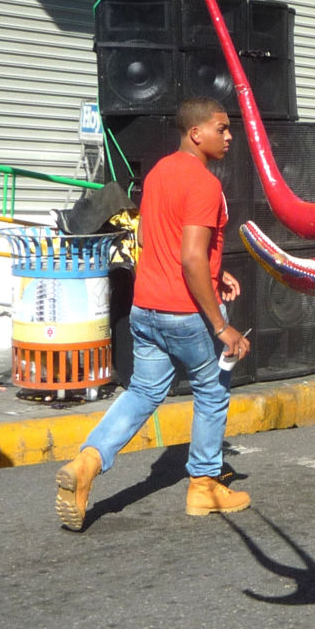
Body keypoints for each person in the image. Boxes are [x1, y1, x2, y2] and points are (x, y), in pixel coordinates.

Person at [53, 97, 252, 531]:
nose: (230, 135)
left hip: (145, 308)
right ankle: (203, 483)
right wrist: (222, 325)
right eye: (222, 128)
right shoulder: (203, 184)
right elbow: (190, 258)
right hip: (187, 314)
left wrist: (217, 273)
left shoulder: (159, 172)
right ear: (196, 133)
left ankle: (87, 462)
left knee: (143, 393)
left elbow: (159, 238)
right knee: (213, 390)